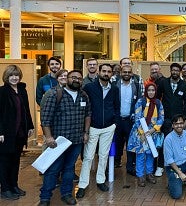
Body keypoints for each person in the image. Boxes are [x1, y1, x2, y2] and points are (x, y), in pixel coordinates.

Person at [39, 70, 91, 206]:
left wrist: (85, 132)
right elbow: (45, 118)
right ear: (67, 79)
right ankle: (45, 198)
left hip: (76, 140)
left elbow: (87, 115)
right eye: (73, 77)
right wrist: (48, 137)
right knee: (53, 169)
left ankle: (67, 194)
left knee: (69, 168)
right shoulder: (54, 94)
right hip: (58, 141)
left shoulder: (83, 95)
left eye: (79, 78)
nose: (77, 80)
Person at [76, 64, 120, 199]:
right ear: (99, 72)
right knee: (88, 156)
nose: (106, 73)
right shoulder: (89, 87)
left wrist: (114, 122)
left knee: (103, 155)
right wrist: (85, 127)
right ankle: (83, 184)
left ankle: (100, 180)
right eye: (104, 71)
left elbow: (116, 106)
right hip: (93, 127)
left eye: (109, 72)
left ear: (112, 74)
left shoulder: (114, 89)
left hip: (108, 127)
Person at [0, 65, 34, 201]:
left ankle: (14, 185)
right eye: (11, 75)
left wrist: (30, 126)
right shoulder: (2, 92)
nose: (14, 78)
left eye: (16, 75)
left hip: (20, 133)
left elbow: (26, 110)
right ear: (6, 77)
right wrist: (0, 132)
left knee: (15, 161)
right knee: (4, 162)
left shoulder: (22, 90)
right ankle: (5, 188)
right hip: (6, 134)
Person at [156, 62, 186, 177]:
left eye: (177, 70)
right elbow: (157, 99)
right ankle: (161, 166)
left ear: (179, 72)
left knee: (178, 144)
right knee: (165, 143)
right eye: (173, 70)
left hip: (179, 121)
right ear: (170, 71)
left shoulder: (184, 85)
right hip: (166, 119)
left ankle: (178, 166)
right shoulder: (163, 82)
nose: (175, 72)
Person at [128, 82, 163, 187]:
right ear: (146, 91)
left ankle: (149, 174)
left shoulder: (158, 103)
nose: (151, 92)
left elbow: (161, 117)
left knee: (150, 154)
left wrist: (154, 129)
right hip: (140, 133)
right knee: (140, 154)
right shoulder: (140, 101)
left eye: (153, 90)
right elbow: (137, 117)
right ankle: (140, 176)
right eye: (149, 90)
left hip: (153, 133)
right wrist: (143, 132)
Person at [112, 65, 142, 175]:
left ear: (132, 73)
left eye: (129, 72)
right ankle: (116, 162)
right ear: (120, 73)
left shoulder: (136, 86)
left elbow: (138, 101)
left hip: (130, 120)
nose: (127, 74)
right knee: (117, 142)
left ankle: (130, 166)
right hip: (118, 119)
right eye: (125, 72)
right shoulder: (115, 85)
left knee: (131, 143)